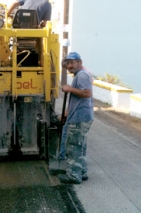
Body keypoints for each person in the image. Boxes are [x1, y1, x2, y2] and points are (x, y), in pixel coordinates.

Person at [58, 52, 94, 184]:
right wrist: (67, 112)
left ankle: (73, 176)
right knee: (80, 146)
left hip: (79, 117)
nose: (69, 66)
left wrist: (70, 89)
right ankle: (82, 172)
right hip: (81, 115)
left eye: (72, 63)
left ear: (80, 62)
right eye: (67, 64)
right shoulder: (80, 74)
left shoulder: (82, 75)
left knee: (73, 147)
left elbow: (87, 93)